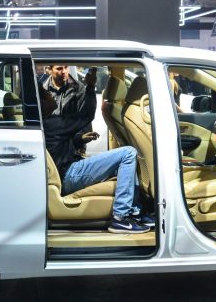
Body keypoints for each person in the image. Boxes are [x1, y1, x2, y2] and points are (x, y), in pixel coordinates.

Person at [41, 65, 151, 234]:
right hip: (69, 174)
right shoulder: (53, 122)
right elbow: (86, 115)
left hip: (67, 168)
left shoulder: (46, 124)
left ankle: (134, 213)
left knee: (126, 159)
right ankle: (121, 217)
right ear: (41, 103)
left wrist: (78, 139)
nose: (50, 96)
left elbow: (57, 145)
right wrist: (91, 87)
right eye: (47, 96)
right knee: (128, 153)